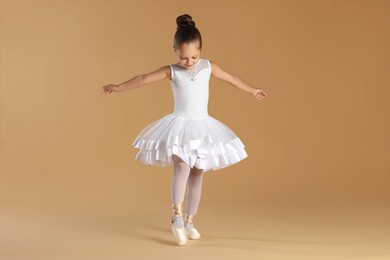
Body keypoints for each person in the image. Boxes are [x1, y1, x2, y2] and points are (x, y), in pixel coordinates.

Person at [102, 14, 267, 246]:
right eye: (183, 57)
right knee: (181, 166)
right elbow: (143, 78)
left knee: (198, 174)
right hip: (179, 126)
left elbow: (232, 78)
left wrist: (252, 90)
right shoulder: (172, 70)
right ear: (174, 50)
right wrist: (118, 87)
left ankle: (190, 221)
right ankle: (176, 217)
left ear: (200, 50)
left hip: (203, 126)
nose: (189, 62)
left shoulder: (209, 67)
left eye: (194, 57)